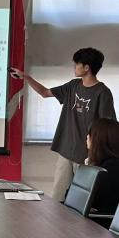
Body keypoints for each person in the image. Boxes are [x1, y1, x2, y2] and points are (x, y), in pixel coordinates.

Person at [11, 48, 116, 202]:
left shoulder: (103, 92)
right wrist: (26, 77)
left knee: (80, 200)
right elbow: (45, 92)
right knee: (58, 197)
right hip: (66, 151)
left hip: (87, 156)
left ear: (87, 67)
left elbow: (108, 127)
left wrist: (95, 151)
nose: (74, 67)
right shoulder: (73, 85)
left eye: (77, 64)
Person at [85, 118, 119, 223]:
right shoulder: (103, 164)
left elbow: (84, 199)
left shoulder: (108, 169)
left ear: (99, 140)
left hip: (100, 225)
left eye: (90, 134)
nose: (87, 137)